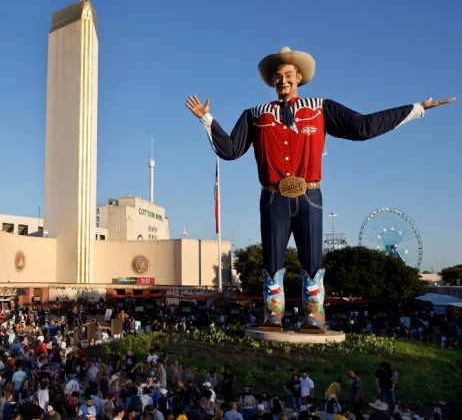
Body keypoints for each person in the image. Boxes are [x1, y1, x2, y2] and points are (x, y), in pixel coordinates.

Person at [186, 47, 455, 333]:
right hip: (272, 196)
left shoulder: (320, 108)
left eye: (289, 75)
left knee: (312, 260)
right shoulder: (255, 114)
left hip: (309, 196)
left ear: (299, 77)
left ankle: (315, 315)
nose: (283, 81)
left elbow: (363, 127)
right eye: (278, 77)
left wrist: (416, 110)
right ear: (272, 82)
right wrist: (206, 118)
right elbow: (230, 150)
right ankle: (272, 315)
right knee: (272, 260)